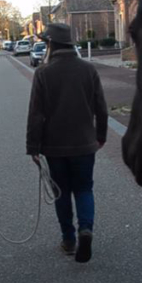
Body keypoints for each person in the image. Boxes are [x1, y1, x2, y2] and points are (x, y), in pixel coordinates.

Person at [26, 23, 108, 263]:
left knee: (61, 192)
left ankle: (69, 239)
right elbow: (101, 108)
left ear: (50, 44)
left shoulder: (43, 73)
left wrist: (33, 147)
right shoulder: (88, 70)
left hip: (55, 146)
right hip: (84, 143)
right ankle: (86, 229)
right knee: (84, 189)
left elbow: (36, 114)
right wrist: (100, 136)